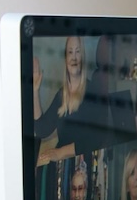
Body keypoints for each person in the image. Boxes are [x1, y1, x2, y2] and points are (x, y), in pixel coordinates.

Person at [34, 36, 108, 164]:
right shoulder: (61, 95)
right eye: (70, 52)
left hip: (84, 164)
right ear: (66, 58)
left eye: (77, 52)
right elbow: (42, 130)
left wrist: (60, 152)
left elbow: (95, 138)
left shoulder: (93, 91)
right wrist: (35, 91)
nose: (74, 57)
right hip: (62, 163)